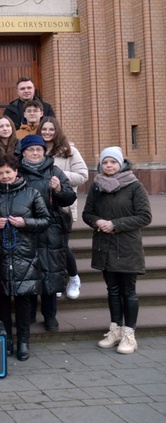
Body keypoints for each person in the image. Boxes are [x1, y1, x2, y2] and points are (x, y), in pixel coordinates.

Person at [83, 147, 151, 354]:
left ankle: (129, 335)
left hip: (127, 246)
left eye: (113, 162)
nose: (109, 166)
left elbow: (144, 217)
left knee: (128, 291)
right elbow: (87, 213)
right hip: (105, 246)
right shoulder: (96, 187)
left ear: (120, 163)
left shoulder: (134, 186)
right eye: (105, 162)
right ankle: (115, 330)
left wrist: (115, 224)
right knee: (112, 290)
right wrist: (98, 222)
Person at [0, 154, 51, 361]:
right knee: (3, 302)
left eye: (8, 172)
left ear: (16, 172)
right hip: (0, 256)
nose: (5, 176)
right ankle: (6, 339)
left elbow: (45, 221)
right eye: (0, 173)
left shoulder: (31, 192)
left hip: (25, 256)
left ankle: (23, 341)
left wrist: (25, 223)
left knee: (25, 302)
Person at [17, 135, 76, 331]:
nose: (35, 152)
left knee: (50, 272)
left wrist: (59, 189)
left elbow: (69, 198)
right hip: (25, 228)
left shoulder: (55, 171)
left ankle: (50, 315)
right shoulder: (17, 171)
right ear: (23, 152)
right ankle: (30, 313)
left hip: (50, 227)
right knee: (29, 272)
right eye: (31, 149)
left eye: (39, 149)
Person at [39, 117, 88, 299]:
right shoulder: (36, 150)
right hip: (41, 207)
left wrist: (59, 175)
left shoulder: (69, 151)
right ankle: (58, 281)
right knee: (48, 248)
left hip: (63, 208)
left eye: (51, 129)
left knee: (62, 247)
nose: (47, 133)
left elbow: (82, 175)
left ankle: (74, 278)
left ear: (57, 131)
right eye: (44, 129)